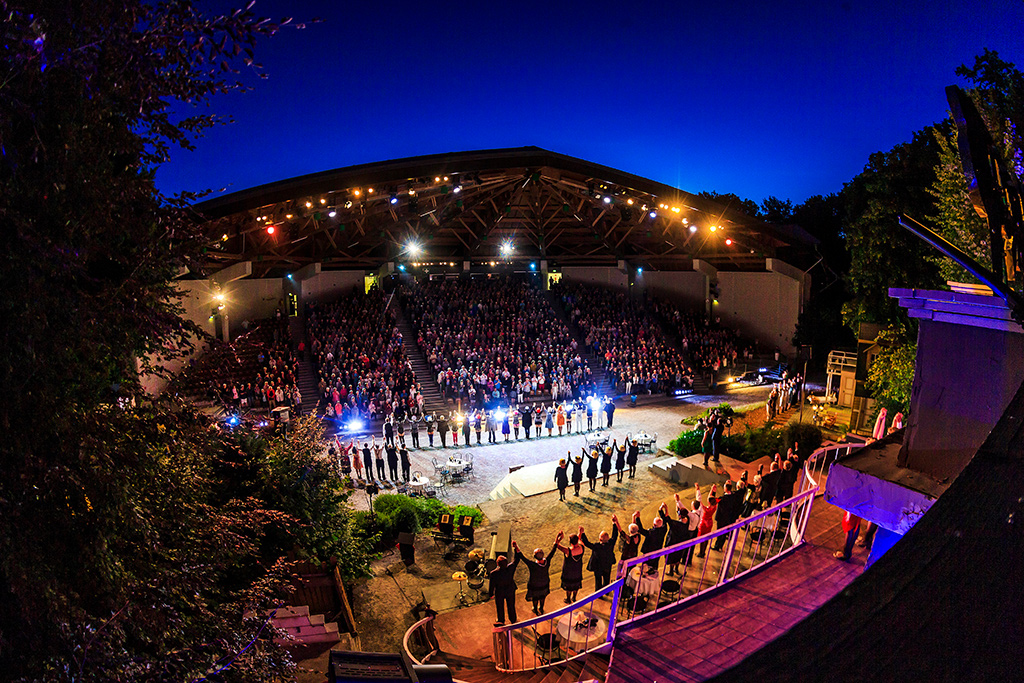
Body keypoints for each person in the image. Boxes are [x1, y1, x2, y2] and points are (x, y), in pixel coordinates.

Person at [514, 539, 557, 615]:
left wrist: (516, 547)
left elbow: (522, 557)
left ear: (534, 556)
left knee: (535, 597)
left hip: (534, 584)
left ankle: (535, 609)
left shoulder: (532, 565)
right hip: (544, 583)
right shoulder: (547, 562)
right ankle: (541, 608)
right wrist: (557, 540)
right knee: (543, 596)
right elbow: (552, 551)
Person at [581, 522, 619, 590]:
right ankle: (606, 591)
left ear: (600, 539)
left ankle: (599, 594)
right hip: (607, 565)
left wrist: (582, 533)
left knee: (598, 580)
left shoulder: (596, 546)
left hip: (598, 567)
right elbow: (615, 535)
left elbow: (587, 543)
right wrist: (614, 524)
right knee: (607, 579)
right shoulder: (610, 544)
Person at [487, 553, 522, 625]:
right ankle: (513, 619)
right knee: (511, 605)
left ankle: (501, 620)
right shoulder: (510, 568)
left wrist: (491, 594)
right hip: (510, 590)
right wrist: (516, 549)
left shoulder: (494, 573)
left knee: (500, 606)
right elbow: (516, 560)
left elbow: (492, 585)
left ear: (497, 564)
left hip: (500, 592)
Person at [661, 495, 690, 576]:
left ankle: (671, 571)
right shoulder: (687, 521)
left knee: (672, 558)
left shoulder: (676, 524)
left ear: (680, 516)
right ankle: (676, 569)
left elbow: (667, 518)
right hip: (681, 544)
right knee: (678, 557)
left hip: (673, 543)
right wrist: (677, 502)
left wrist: (666, 508)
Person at [712, 481, 745, 551]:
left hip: (721, 518)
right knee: (724, 533)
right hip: (728, 518)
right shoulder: (733, 496)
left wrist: (713, 492)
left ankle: (717, 546)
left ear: (726, 489)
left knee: (719, 532)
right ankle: (720, 546)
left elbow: (713, 501)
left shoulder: (722, 499)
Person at [555, 528, 586, 603]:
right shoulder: (582, 547)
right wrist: (580, 533)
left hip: (568, 572)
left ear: (570, 542)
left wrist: (558, 537)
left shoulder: (568, 551)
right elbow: (579, 540)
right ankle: (574, 598)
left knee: (569, 587)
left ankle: (568, 599)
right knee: (576, 585)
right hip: (577, 570)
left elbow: (556, 545)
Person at [694, 483, 718, 558]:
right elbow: (710, 498)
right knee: (706, 538)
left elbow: (699, 501)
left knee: (702, 538)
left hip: (704, 524)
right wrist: (712, 489)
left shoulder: (706, 509)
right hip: (710, 523)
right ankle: (703, 552)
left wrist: (698, 489)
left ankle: (701, 552)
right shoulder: (714, 507)